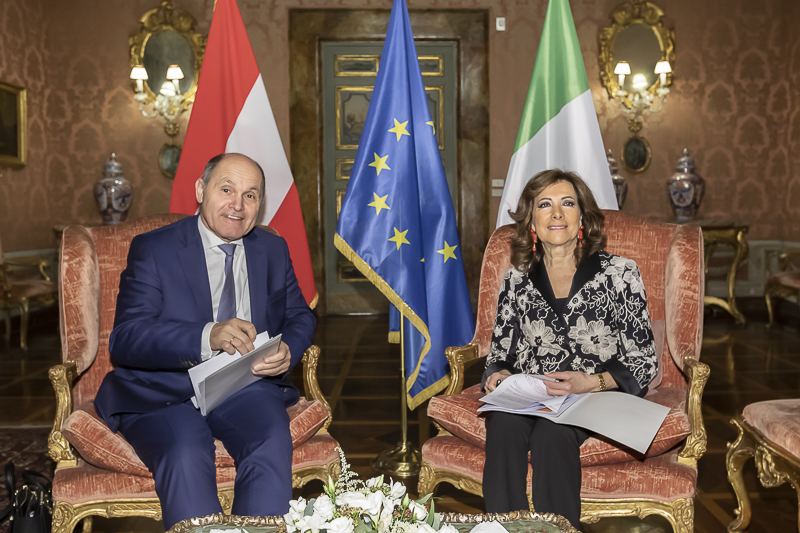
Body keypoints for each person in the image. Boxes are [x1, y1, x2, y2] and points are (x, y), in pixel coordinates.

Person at [94, 153, 316, 528]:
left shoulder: (272, 249)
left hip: (244, 383)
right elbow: (126, 338)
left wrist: (288, 348)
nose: (238, 205)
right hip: (161, 390)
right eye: (226, 189)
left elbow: (299, 315)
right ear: (201, 189)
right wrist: (207, 335)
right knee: (185, 451)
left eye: (250, 195)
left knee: (270, 438)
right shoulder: (155, 249)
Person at [481, 169, 657, 529]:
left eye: (567, 203)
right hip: (533, 393)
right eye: (545, 204)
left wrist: (589, 383)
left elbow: (644, 361)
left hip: (596, 394)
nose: (556, 213)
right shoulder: (516, 278)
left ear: (582, 217)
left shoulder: (620, 273)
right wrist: (496, 372)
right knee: (502, 425)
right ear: (532, 220)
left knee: (552, 434)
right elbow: (500, 350)